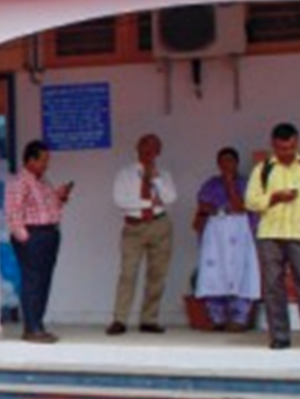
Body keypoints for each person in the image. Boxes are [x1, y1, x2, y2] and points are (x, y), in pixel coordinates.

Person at [107, 133, 177, 335]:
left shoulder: (164, 174)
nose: (148, 152)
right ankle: (120, 319)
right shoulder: (125, 173)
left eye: (153, 148)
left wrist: (156, 180)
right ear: (137, 148)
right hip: (134, 227)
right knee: (128, 273)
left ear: (158, 152)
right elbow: (121, 200)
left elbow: (170, 198)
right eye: (145, 147)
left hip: (159, 225)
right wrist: (149, 203)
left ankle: (149, 319)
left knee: (157, 274)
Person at [6, 139, 71, 343]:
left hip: (49, 233)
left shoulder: (43, 182)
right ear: (30, 160)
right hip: (33, 236)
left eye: (47, 160)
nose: (46, 165)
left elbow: (49, 209)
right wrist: (25, 238)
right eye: (43, 160)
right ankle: (32, 328)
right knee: (33, 281)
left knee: (43, 281)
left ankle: (37, 325)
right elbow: (13, 212)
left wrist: (59, 197)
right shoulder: (20, 181)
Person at [245, 122, 300, 351]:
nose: (286, 152)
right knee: (273, 286)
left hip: (298, 233)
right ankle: (280, 336)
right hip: (270, 235)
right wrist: (274, 198)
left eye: (290, 147)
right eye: (281, 148)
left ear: (296, 143)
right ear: (273, 145)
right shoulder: (263, 169)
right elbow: (250, 201)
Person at [192, 147, 259, 332]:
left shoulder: (246, 183)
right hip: (217, 234)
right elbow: (203, 204)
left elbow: (240, 206)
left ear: (236, 163)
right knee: (215, 272)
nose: (226, 164)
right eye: (222, 161)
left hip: (240, 232)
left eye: (230, 160)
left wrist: (230, 184)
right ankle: (217, 317)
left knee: (240, 271)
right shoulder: (211, 184)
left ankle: (239, 318)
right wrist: (213, 209)